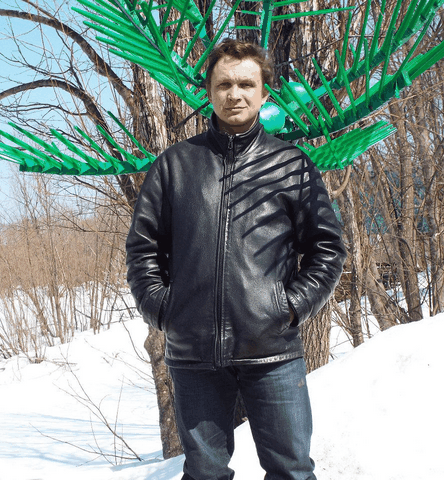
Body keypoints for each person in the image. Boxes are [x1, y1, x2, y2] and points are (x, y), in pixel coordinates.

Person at [126, 38, 347, 480]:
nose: (235, 94)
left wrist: (288, 307)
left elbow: (326, 248)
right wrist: (164, 309)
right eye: (224, 84)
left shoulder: (290, 165)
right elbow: (143, 247)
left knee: (291, 471)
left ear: (264, 93)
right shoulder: (176, 165)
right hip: (194, 355)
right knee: (204, 473)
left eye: (246, 84)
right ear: (209, 91)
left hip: (272, 352)